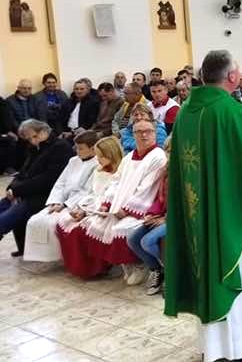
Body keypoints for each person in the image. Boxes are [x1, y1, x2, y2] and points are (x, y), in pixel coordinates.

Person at [165, 49, 242, 362]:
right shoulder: (229, 111)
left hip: (199, 212)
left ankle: (215, 344)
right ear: (232, 76)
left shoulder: (187, 110)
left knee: (208, 267)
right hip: (231, 213)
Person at [58, 120, 167, 282]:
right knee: (94, 224)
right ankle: (123, 265)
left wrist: (128, 210)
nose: (144, 135)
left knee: (121, 229)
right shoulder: (129, 157)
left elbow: (147, 188)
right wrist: (106, 204)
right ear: (133, 135)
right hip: (117, 205)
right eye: (139, 132)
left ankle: (139, 265)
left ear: (155, 133)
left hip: (141, 208)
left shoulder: (157, 156)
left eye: (148, 131)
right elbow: (115, 182)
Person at [22, 130, 99, 262]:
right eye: (76, 147)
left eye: (81, 148)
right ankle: (39, 256)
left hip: (76, 204)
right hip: (61, 201)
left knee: (52, 223)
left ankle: (58, 256)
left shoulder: (97, 163)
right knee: (35, 220)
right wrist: (56, 201)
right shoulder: (73, 161)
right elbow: (60, 183)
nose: (77, 151)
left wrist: (64, 205)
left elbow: (87, 191)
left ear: (92, 149)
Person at [0, 119, 74, 257]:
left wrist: (18, 190)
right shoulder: (35, 148)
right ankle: (23, 248)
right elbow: (23, 172)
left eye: (33, 136)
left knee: (12, 213)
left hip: (48, 195)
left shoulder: (60, 147)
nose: (32, 141)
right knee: (4, 204)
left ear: (44, 131)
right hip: (30, 191)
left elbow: (48, 179)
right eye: (28, 139)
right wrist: (12, 188)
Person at [126, 143, 169, 296]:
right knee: (132, 238)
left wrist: (167, 219)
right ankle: (156, 269)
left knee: (147, 241)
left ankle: (170, 272)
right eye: (167, 151)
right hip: (161, 215)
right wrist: (151, 213)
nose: (169, 155)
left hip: (176, 219)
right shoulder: (165, 172)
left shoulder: (187, 172)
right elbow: (160, 200)